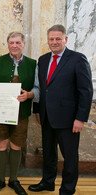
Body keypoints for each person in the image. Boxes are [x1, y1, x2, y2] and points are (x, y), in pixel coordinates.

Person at [28, 24, 93, 195]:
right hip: (47, 117)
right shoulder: (42, 60)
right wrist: (37, 112)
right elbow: (41, 88)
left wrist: (80, 118)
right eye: (51, 39)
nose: (54, 42)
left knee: (69, 157)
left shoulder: (78, 59)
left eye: (58, 38)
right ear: (48, 40)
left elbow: (86, 91)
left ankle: (68, 188)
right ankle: (47, 182)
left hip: (69, 120)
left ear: (66, 39)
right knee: (48, 154)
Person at [0, 32, 37, 195]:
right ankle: (0, 180)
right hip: (0, 111)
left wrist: (28, 95)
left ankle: (14, 180)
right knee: (1, 145)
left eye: (18, 42)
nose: (14, 45)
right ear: (7, 44)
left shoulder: (33, 63)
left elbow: (38, 89)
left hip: (21, 112)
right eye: (11, 42)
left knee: (16, 145)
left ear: (23, 44)